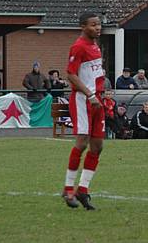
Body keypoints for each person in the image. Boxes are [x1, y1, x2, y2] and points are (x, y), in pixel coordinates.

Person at [61, 12, 106, 211]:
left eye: (99, 24)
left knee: (97, 146)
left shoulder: (95, 46)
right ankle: (68, 188)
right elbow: (71, 74)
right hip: (83, 100)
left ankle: (83, 190)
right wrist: (89, 94)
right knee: (82, 142)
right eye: (94, 25)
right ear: (83, 26)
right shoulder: (78, 46)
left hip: (98, 101)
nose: (98, 28)